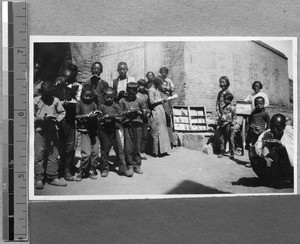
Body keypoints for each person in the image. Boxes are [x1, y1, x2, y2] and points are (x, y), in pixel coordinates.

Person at [34, 81, 67, 189]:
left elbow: (62, 112)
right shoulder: (36, 101)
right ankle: (39, 178)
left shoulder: (55, 100)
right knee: (40, 153)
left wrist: (57, 119)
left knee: (53, 153)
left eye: (49, 94)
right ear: (41, 92)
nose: (47, 96)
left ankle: (53, 176)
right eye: (45, 94)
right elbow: (30, 115)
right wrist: (41, 118)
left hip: (52, 130)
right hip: (40, 130)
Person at [53, 64, 81, 181]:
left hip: (70, 119)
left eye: (70, 75)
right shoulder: (56, 85)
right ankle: (59, 167)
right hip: (58, 119)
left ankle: (67, 169)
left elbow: (79, 102)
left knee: (70, 145)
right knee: (59, 145)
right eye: (65, 75)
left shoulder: (77, 86)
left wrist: (70, 101)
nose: (66, 78)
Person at [98, 87, 131, 177]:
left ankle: (123, 169)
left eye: (111, 97)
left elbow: (121, 116)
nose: (109, 99)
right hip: (104, 130)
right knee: (105, 150)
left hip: (115, 129)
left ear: (113, 97)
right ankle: (104, 169)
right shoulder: (101, 106)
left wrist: (115, 117)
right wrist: (103, 118)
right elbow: (98, 117)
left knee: (119, 149)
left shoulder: (116, 105)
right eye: (107, 97)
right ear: (104, 96)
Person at [252, 114, 293, 185]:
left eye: (278, 127)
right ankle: (270, 179)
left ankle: (288, 178)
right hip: (276, 164)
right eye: (273, 126)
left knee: (281, 149)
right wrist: (260, 154)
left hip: (291, 166)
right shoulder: (267, 133)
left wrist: (280, 144)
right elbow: (258, 143)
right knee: (255, 158)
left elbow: (293, 158)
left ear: (283, 127)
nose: (274, 129)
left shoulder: (292, 134)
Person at [119, 82, 147, 175]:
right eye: (129, 93)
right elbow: (120, 114)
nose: (131, 95)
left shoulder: (140, 101)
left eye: (133, 93)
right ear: (126, 91)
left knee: (137, 146)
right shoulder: (123, 101)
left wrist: (141, 112)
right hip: (127, 125)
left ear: (136, 92)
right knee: (128, 147)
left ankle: (137, 165)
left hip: (137, 125)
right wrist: (126, 112)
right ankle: (130, 166)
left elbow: (145, 113)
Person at [74, 85, 100, 181]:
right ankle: (81, 171)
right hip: (84, 130)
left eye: (90, 96)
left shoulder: (93, 104)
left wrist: (96, 116)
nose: (88, 98)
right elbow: (76, 116)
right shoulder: (79, 103)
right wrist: (85, 116)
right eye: (86, 96)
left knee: (95, 152)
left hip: (94, 130)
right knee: (86, 153)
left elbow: (97, 114)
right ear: (82, 95)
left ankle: (91, 170)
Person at [148, 77, 171, 157]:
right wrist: (161, 100)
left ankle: (163, 150)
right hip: (156, 112)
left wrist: (163, 100)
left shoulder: (156, 90)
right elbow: (151, 102)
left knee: (162, 131)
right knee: (157, 132)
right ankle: (156, 151)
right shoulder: (151, 90)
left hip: (160, 111)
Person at [218, 92, 236, 159]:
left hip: (229, 125)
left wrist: (232, 125)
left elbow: (234, 116)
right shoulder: (223, 107)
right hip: (223, 125)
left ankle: (232, 153)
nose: (226, 101)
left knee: (231, 139)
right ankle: (222, 151)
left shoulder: (232, 108)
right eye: (225, 99)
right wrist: (219, 124)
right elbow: (222, 116)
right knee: (222, 139)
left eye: (227, 99)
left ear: (230, 100)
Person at [137, 79, 151, 159]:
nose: (142, 87)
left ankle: (142, 151)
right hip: (138, 116)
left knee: (144, 135)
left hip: (145, 117)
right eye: (140, 85)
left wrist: (148, 112)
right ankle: (137, 151)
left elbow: (149, 106)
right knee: (137, 134)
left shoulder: (146, 95)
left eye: (143, 85)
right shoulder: (136, 94)